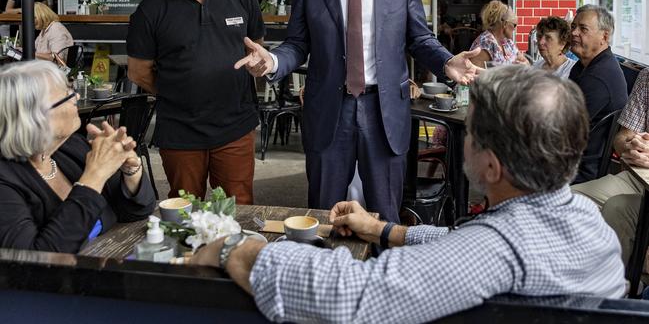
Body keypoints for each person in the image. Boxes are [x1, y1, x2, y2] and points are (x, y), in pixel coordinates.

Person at [191, 66, 626, 323]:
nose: (465, 138)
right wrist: (384, 230)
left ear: (492, 167)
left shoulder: (495, 251)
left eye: (471, 131)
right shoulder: (591, 223)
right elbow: (466, 244)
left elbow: (347, 296)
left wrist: (236, 248)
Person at [234, 0, 480, 222]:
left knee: (385, 213)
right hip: (328, 112)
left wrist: (446, 62)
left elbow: (419, 37)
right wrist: (273, 62)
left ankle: (381, 269)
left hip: (384, 111)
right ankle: (325, 271)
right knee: (322, 212)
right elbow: (297, 44)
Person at [127, 0, 264, 204]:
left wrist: (258, 66)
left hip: (235, 126)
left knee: (238, 208)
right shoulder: (151, 9)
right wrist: (181, 93)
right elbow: (138, 72)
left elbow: (256, 49)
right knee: (184, 212)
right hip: (180, 132)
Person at [0, 61, 155, 252]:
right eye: (68, 95)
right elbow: (35, 260)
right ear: (36, 117)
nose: (77, 97)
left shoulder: (71, 147)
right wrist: (94, 176)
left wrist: (130, 171)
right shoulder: (5, 180)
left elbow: (137, 211)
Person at [573, 67, 649, 267]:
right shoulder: (647, 76)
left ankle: (618, 286)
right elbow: (622, 137)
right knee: (569, 199)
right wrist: (632, 145)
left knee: (618, 209)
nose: (574, 33)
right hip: (636, 178)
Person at [569, 4, 627, 183]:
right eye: (573, 27)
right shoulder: (583, 66)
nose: (574, 33)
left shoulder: (599, 76)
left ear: (605, 36)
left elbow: (562, 129)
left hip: (577, 171)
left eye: (583, 29)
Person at [470, 0, 528, 67]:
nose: (515, 29)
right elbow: (475, 74)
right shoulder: (485, 44)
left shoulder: (508, 42)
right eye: (514, 25)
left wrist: (524, 65)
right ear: (505, 24)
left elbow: (525, 61)